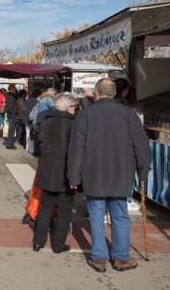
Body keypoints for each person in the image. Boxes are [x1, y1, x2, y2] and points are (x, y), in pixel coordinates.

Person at [67, 78, 152, 273]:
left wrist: (73, 177)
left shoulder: (85, 115)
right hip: (121, 172)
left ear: (96, 93)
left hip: (94, 172)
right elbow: (142, 146)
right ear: (114, 93)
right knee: (120, 214)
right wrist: (143, 170)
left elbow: (76, 149)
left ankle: (99, 259)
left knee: (96, 214)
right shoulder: (129, 115)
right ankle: (121, 258)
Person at [33, 94, 77, 254]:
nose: (75, 108)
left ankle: (38, 242)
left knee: (45, 206)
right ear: (68, 107)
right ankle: (58, 244)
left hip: (48, 168)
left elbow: (39, 143)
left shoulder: (45, 121)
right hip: (66, 171)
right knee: (65, 210)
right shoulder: (74, 123)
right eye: (74, 106)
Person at [23, 89, 42, 154]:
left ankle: (27, 147)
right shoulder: (36, 100)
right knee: (33, 134)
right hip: (33, 118)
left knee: (28, 133)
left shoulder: (28, 99)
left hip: (26, 118)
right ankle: (31, 149)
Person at [3, 84, 19, 150]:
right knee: (11, 130)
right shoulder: (10, 95)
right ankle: (9, 144)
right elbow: (10, 105)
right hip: (12, 114)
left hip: (12, 113)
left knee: (12, 129)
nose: (16, 89)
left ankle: (10, 143)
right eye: (15, 87)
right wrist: (12, 113)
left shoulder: (11, 95)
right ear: (12, 88)